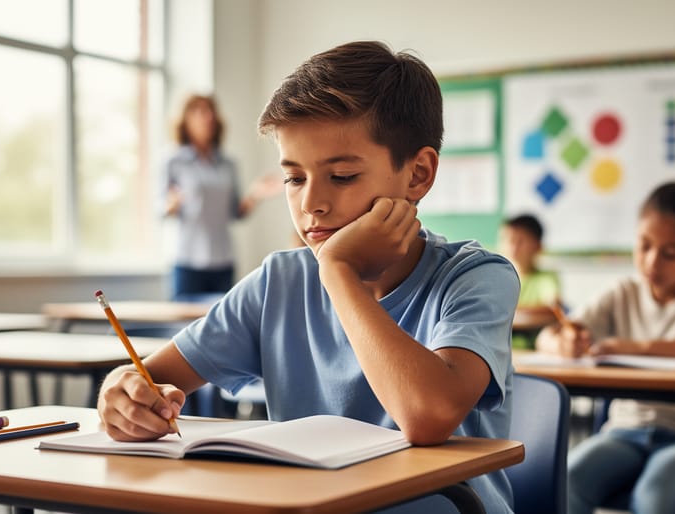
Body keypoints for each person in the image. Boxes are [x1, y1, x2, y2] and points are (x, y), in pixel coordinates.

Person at [98, 41, 519, 513]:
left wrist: (338, 270)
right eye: (294, 178)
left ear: (418, 174)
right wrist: (124, 393)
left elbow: (426, 417)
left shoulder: (477, 276)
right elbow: (149, 377)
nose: (310, 204)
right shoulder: (278, 282)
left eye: (340, 177)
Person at [537, 180, 675, 514]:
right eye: (644, 245)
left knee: (654, 497)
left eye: (670, 253)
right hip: (626, 432)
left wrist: (640, 347)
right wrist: (565, 342)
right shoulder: (623, 291)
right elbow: (547, 336)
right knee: (567, 479)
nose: (652, 262)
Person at [162, 94, 281, 300]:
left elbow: (235, 213)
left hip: (223, 259)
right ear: (185, 120)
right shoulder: (173, 161)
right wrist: (170, 205)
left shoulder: (228, 164)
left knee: (223, 323)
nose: (208, 117)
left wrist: (255, 194)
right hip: (188, 259)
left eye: (211, 111)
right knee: (186, 324)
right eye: (199, 111)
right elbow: (160, 208)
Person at [498, 213, 561, 349]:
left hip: (535, 351)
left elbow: (553, 311)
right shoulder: (496, 278)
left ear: (538, 246)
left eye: (520, 241)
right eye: (508, 240)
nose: (513, 247)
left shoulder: (546, 279)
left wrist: (504, 314)